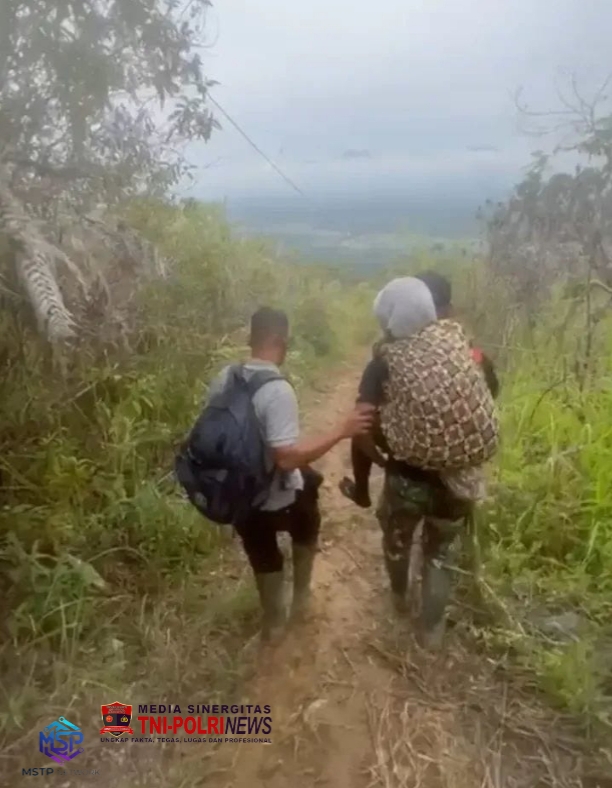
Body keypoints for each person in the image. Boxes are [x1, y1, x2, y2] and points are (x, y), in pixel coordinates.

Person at [341, 277, 499, 649]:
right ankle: (431, 632)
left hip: (406, 479)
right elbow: (487, 395)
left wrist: (381, 460)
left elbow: (360, 428)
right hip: (457, 480)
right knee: (439, 554)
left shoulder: (384, 362)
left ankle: (399, 598)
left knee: (397, 541)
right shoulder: (462, 347)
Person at [205, 307, 375, 643]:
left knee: (260, 548)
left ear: (251, 338)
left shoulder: (224, 377)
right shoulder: (277, 390)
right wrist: (341, 431)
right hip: (271, 496)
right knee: (307, 512)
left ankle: (273, 622)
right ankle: (300, 599)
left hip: (236, 492)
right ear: (279, 341)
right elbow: (286, 459)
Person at [339, 271, 499, 508]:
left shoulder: (387, 358)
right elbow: (491, 393)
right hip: (461, 463)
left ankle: (362, 491)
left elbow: (361, 426)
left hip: (409, 465)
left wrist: (385, 463)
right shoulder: (468, 350)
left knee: (362, 423)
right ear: (447, 310)